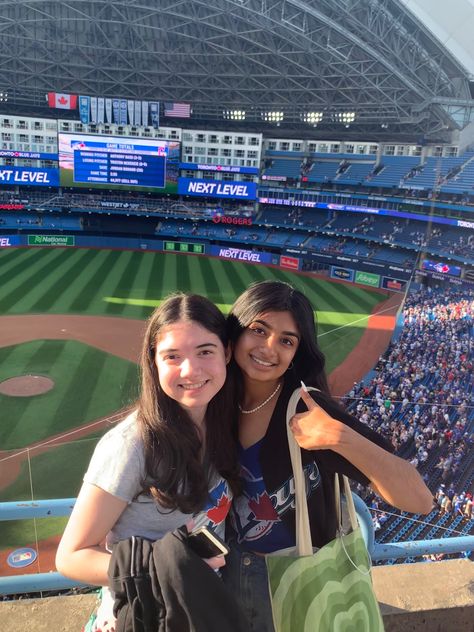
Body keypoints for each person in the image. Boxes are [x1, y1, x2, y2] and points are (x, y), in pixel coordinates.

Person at [223, 280, 434, 632]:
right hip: (230, 579)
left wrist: (339, 437)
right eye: (258, 330)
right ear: (237, 330)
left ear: (297, 353)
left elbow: (420, 499)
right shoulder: (217, 403)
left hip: (302, 579)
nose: (269, 348)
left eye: (287, 340)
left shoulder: (308, 408)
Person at [56, 293, 241, 632]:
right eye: (173, 356)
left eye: (205, 351)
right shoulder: (131, 446)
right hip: (145, 615)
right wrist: (170, 569)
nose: (190, 370)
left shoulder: (224, 423)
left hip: (201, 607)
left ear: (226, 353)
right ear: (153, 362)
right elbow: (70, 556)